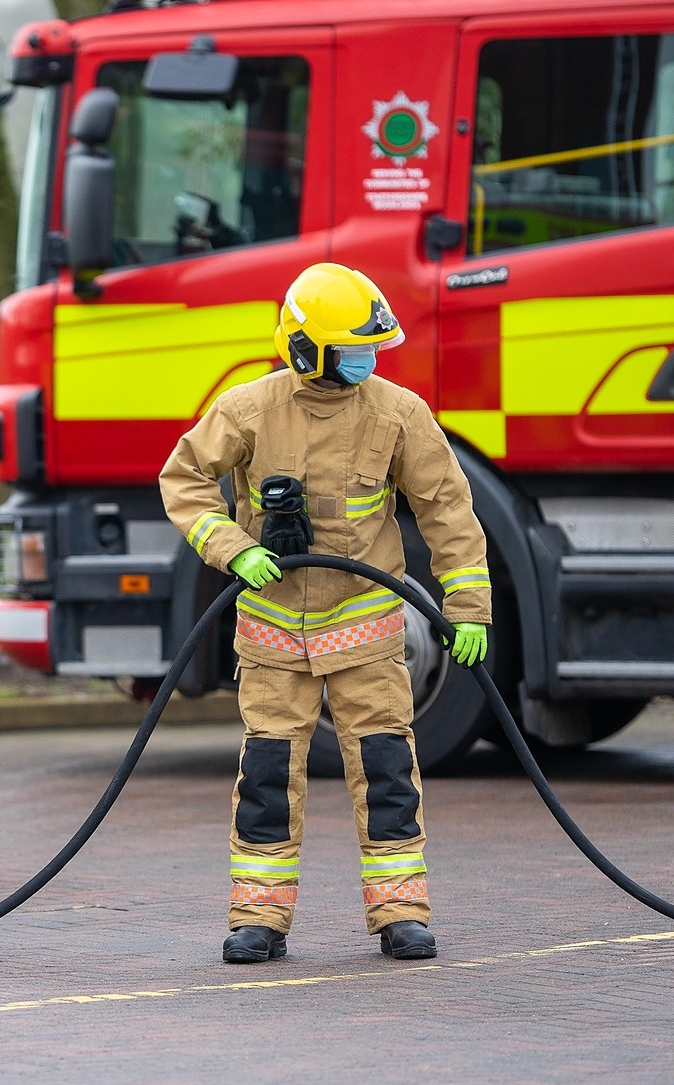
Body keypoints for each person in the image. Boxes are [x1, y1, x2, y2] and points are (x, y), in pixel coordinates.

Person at [158, 263, 492, 965]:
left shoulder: (399, 413)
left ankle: (401, 912)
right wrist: (234, 549)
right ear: (306, 350)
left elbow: (449, 512)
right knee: (268, 777)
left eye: (371, 349)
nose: (367, 361)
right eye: (351, 350)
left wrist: (468, 610)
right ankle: (259, 919)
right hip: (274, 637)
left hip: (366, 633)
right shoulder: (250, 409)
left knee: (387, 768)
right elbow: (184, 478)